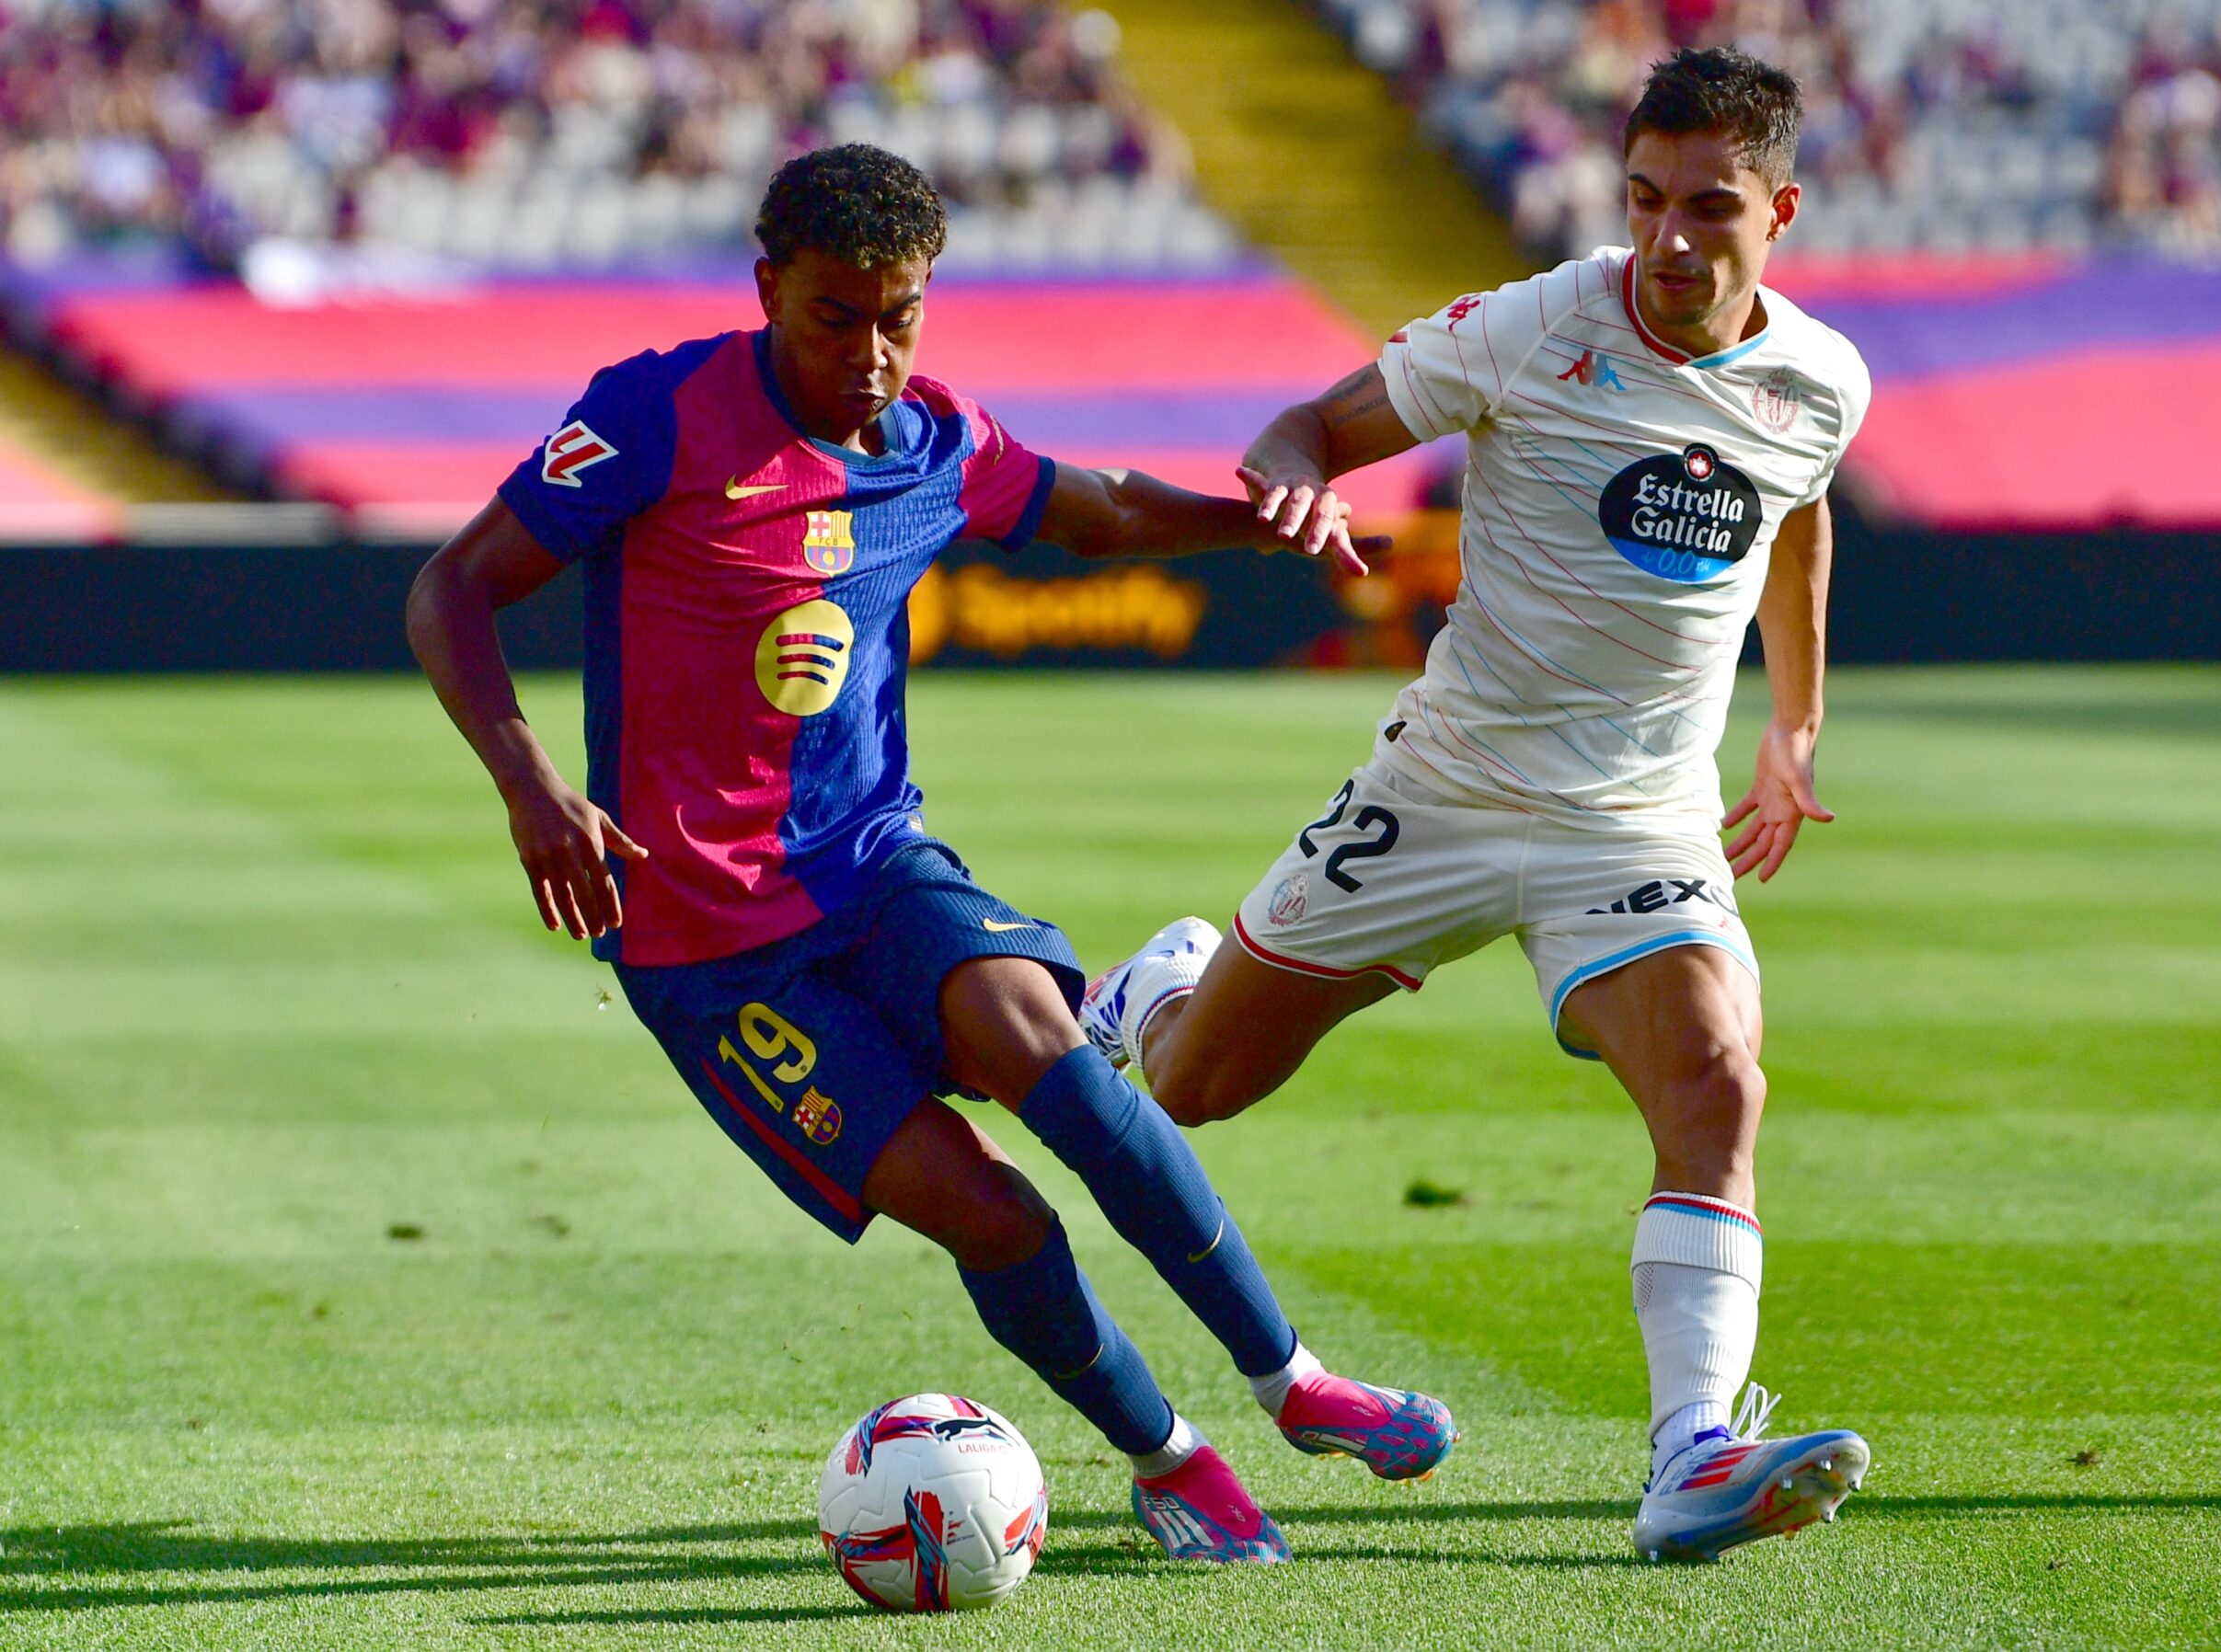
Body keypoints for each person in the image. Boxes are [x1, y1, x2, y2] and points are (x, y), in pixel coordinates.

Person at [405, 143, 1456, 1567]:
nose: (874, 352)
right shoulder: (653, 417)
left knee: (1061, 1074)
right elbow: (452, 588)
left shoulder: (933, 439)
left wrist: (1262, 524)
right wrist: (532, 787)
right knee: (993, 1212)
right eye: (838, 315)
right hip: (704, 947)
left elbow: (1098, 511)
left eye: (902, 314)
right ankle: (1169, 1461)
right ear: (769, 287)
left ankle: (1297, 1383)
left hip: (874, 861)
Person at [1081, 49, 1871, 1563]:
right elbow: (1306, 428)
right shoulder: (1536, 324)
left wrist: (1796, 725)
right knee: (1188, 1094)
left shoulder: (1819, 379)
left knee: (1718, 1087)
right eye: (1644, 200)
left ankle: (1694, 1452)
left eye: (1711, 208)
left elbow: (1801, 516)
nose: (1671, 241)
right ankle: (1163, 987)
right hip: (1442, 791)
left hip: (1634, 822)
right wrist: (1300, 484)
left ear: (1781, 212)